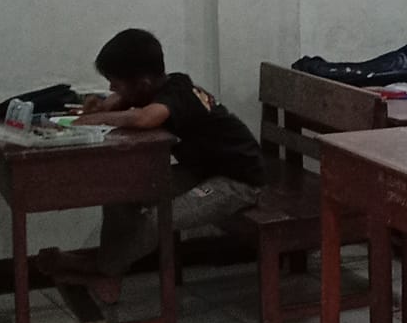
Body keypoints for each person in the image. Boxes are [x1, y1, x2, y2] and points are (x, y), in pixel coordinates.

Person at [36, 29, 265, 305]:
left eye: (116, 82)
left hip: (237, 182)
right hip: (200, 172)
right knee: (120, 192)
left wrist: (93, 120)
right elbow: (119, 102)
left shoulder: (179, 93)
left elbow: (145, 119)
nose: (111, 88)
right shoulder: (154, 89)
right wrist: (100, 108)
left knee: (158, 219)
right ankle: (106, 269)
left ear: (143, 83)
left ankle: (104, 270)